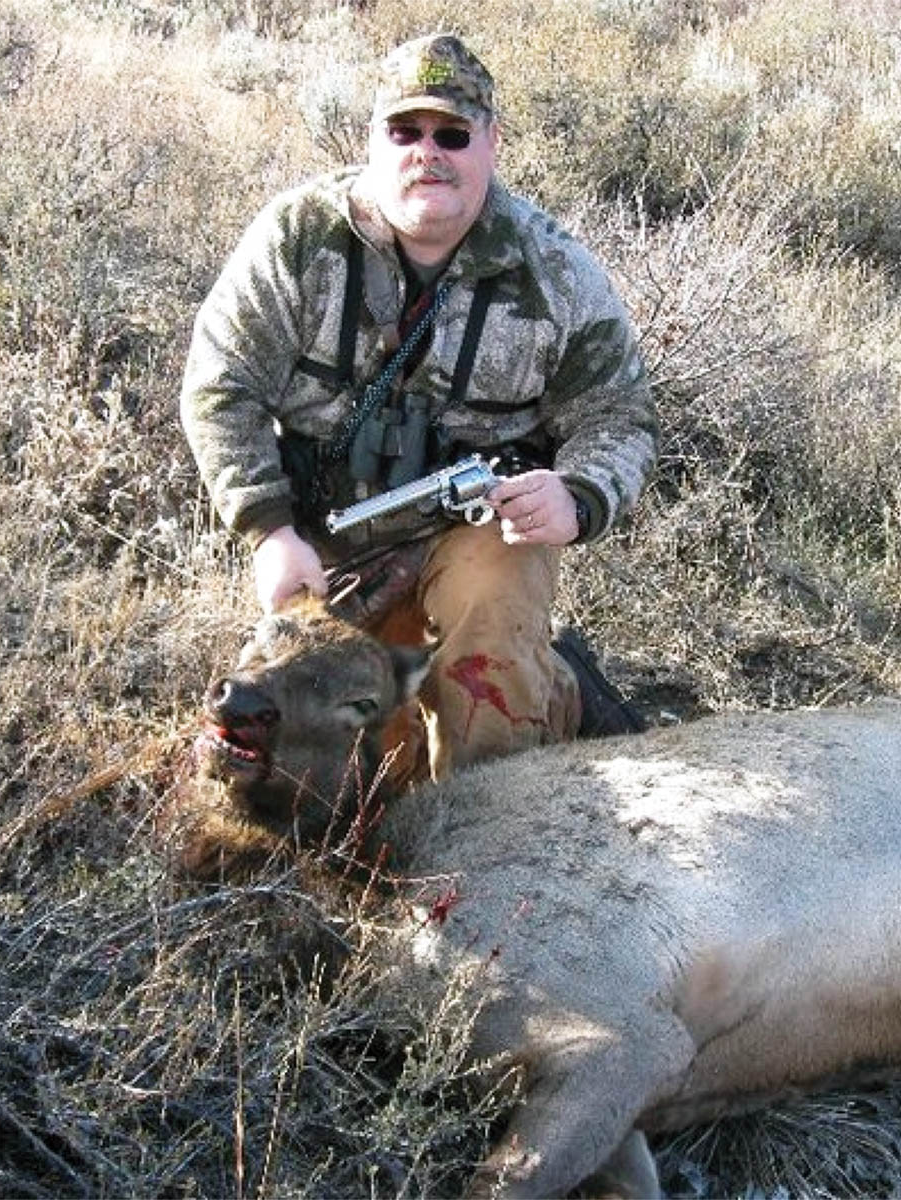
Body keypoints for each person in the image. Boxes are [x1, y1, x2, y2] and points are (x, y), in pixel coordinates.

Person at [181, 33, 656, 781]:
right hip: (327, 547)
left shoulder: (557, 273)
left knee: (487, 678)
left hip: (475, 531)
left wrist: (578, 494)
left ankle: (490, 837)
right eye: (405, 130)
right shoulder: (297, 238)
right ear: (373, 139)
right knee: (279, 745)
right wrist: (269, 530)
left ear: (490, 144)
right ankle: (544, 687)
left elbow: (619, 416)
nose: (426, 152)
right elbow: (220, 383)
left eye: (452, 134)